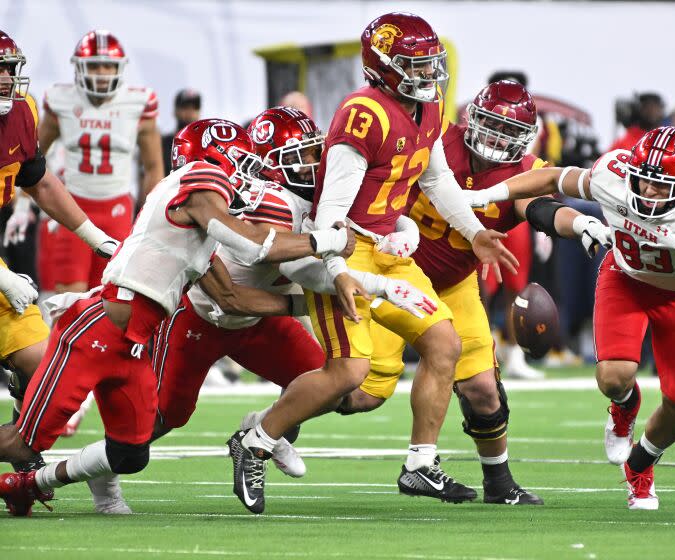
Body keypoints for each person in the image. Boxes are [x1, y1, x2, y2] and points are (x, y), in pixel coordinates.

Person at [225, 12, 519, 514]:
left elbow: (435, 181)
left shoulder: (428, 109)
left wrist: (475, 234)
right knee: (349, 373)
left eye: (431, 63)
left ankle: (420, 465)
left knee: (444, 344)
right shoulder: (366, 114)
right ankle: (255, 440)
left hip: (388, 249)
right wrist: (336, 272)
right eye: (415, 64)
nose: (429, 75)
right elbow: (332, 213)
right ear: (383, 66)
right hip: (343, 248)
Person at [0, 118, 356, 516]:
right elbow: (250, 251)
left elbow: (231, 289)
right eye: (241, 160)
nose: (250, 172)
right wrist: (328, 244)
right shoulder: (202, 185)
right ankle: (31, 475)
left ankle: (29, 483)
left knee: (132, 453)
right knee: (28, 442)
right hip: (110, 326)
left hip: (136, 335)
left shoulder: (206, 206)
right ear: (212, 158)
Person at [87, 107, 434, 514]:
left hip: (259, 322)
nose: (313, 166)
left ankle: (257, 432)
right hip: (203, 317)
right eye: (301, 157)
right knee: (162, 419)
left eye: (315, 154)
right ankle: (101, 474)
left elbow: (381, 218)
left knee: (333, 386)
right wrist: (354, 291)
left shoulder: (320, 196)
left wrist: (398, 236)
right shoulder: (268, 203)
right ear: (270, 167)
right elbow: (233, 296)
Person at [337, 80, 610, 505]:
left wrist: (580, 225)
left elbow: (539, 208)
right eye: (491, 126)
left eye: (508, 132)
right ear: (471, 120)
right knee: (361, 394)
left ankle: (499, 483)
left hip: (454, 283)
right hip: (395, 274)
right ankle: (294, 401)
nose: (497, 139)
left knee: (483, 389)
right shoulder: (435, 141)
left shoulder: (524, 170)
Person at [465, 125, 675, 510]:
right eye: (644, 180)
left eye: (661, 186)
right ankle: (625, 405)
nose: (647, 191)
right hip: (625, 279)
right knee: (613, 377)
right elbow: (552, 177)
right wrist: (493, 192)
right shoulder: (615, 173)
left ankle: (640, 464)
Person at [0, 30, 119, 472]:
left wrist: (96, 237)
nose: (7, 78)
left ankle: (22, 454)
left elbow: (41, 182)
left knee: (41, 365)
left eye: (11, 69)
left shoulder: (23, 113)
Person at [36, 30, 164, 296]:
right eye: (94, 65)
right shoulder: (62, 100)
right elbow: (32, 156)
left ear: (120, 68)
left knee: (108, 294)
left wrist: (150, 218)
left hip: (116, 208)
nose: (102, 72)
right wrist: (27, 203)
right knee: (69, 300)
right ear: (80, 67)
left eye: (108, 65)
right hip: (71, 207)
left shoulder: (138, 103)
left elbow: (152, 167)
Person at [161, 89, 201, 175]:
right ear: (175, 111)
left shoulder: (206, 145)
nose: (190, 112)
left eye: (194, 108)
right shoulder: (163, 144)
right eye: (185, 107)